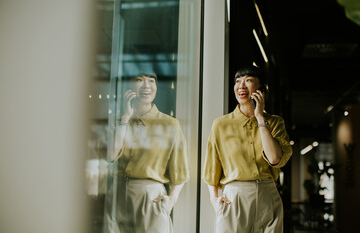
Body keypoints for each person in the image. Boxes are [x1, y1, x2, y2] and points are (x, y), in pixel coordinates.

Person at [202, 65, 293, 233]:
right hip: (234, 196)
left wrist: (260, 118)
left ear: (261, 89)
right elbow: (211, 169)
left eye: (248, 80)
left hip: (267, 195)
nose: (241, 86)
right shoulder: (221, 125)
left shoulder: (275, 123)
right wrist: (215, 199)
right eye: (238, 81)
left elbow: (274, 158)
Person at [108, 72, 189, 233]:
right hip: (117, 195)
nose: (146, 85)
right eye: (139, 80)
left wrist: (171, 201)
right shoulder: (119, 122)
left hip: (151, 197)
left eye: (151, 81)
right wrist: (125, 118)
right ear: (128, 87)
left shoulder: (169, 124)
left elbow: (180, 171)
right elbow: (110, 155)